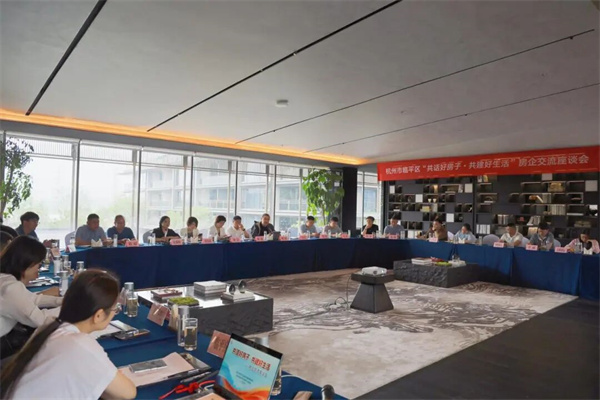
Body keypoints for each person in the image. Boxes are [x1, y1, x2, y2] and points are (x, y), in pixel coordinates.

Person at [0, 270, 136, 399]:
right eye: (115, 309)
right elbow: (128, 393)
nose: (115, 313)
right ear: (99, 315)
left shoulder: (50, 324)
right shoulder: (79, 343)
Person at [0, 237, 62, 358]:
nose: (38, 271)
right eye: (38, 265)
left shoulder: (5, 279)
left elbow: (32, 299)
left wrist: (61, 300)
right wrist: (70, 307)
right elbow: (40, 320)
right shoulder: (11, 288)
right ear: (27, 264)